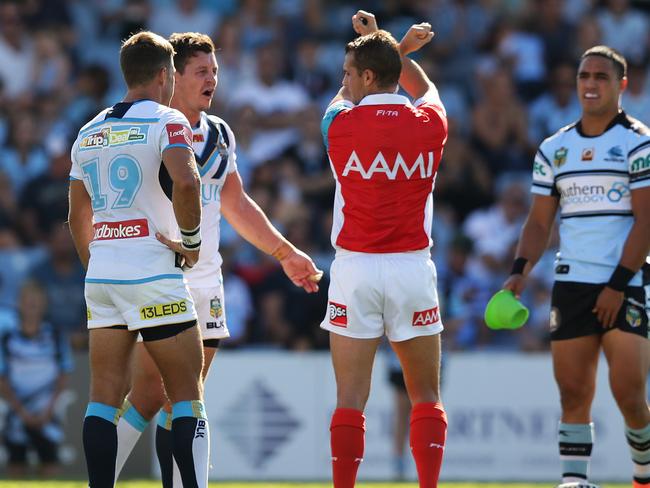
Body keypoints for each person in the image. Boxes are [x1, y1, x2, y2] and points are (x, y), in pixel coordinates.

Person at [112, 32, 321, 486]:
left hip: (207, 280)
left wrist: (285, 253)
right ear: (173, 76)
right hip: (162, 278)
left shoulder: (220, 133)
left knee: (174, 397)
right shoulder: (153, 129)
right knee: (166, 396)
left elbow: (237, 204)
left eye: (216, 72)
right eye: (201, 72)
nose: (212, 80)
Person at [503, 45, 650, 488]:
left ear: (621, 85)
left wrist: (618, 284)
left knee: (628, 393)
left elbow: (646, 221)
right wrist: (518, 273)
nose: (590, 83)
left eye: (601, 77)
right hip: (571, 283)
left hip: (626, 283)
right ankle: (574, 481)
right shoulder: (554, 148)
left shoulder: (639, 143)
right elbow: (539, 221)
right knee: (572, 391)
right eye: (585, 75)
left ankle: (643, 474)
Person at [68, 31, 208, 488]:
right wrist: (190, 240)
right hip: (152, 270)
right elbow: (185, 184)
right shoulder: (168, 120)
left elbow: (76, 216)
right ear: (166, 75)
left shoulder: (88, 130)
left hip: (103, 272)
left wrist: (99, 263)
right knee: (186, 395)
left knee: (103, 399)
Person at [320, 11, 448, 488]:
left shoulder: (340, 127)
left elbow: (335, 103)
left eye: (350, 73)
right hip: (413, 268)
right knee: (425, 395)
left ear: (367, 76)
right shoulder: (430, 123)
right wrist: (395, 50)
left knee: (350, 398)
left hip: (354, 270)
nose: (344, 82)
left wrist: (383, 46)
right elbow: (427, 91)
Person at [0, 280, 73, 477]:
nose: (32, 306)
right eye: (27, 302)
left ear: (44, 305)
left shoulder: (56, 336)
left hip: (47, 415)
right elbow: (2, 378)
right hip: (16, 414)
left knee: (50, 464)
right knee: (16, 466)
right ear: (19, 304)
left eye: (36, 302)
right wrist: (21, 411)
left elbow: (63, 375)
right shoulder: (7, 338)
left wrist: (49, 410)